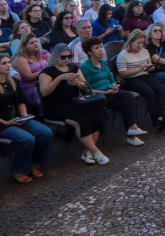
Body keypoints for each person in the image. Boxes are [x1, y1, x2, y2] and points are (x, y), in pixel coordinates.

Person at [39, 44, 109, 165]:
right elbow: (44, 92)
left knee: (97, 115)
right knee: (80, 120)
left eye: (69, 56)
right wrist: (59, 78)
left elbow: (85, 86)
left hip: (74, 102)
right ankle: (96, 152)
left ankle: (88, 151)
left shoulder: (73, 68)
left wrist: (77, 83)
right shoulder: (47, 71)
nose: (66, 59)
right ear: (55, 57)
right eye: (63, 57)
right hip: (55, 106)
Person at [79, 37, 146, 146]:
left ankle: (133, 128)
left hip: (110, 90)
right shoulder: (85, 67)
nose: (101, 49)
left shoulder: (103, 63)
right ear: (89, 52)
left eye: (101, 47)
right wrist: (107, 92)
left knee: (128, 96)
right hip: (99, 95)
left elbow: (111, 79)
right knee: (124, 105)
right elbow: (86, 90)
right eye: (96, 48)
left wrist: (115, 86)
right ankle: (132, 136)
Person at [0, 54, 52, 182]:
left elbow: (20, 102)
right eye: (4, 63)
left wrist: (24, 116)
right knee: (26, 138)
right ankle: (18, 169)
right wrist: (6, 123)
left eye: (8, 62)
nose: (8, 65)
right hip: (2, 124)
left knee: (45, 132)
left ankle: (31, 162)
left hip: (16, 118)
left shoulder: (12, 81)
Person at [116, 30, 165, 131]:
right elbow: (122, 73)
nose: (140, 45)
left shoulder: (145, 51)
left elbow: (149, 64)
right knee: (149, 93)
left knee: (161, 89)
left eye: (142, 43)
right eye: (138, 43)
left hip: (145, 75)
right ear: (131, 41)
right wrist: (139, 69)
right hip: (131, 79)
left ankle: (163, 117)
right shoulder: (123, 55)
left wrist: (150, 68)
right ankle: (158, 119)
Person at [11, 34, 49, 114]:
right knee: (42, 91)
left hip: (46, 81)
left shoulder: (44, 53)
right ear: (24, 46)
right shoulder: (20, 58)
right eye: (31, 43)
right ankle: (45, 116)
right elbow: (29, 77)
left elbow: (55, 66)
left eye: (36, 41)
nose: (35, 44)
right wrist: (46, 72)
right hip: (31, 87)